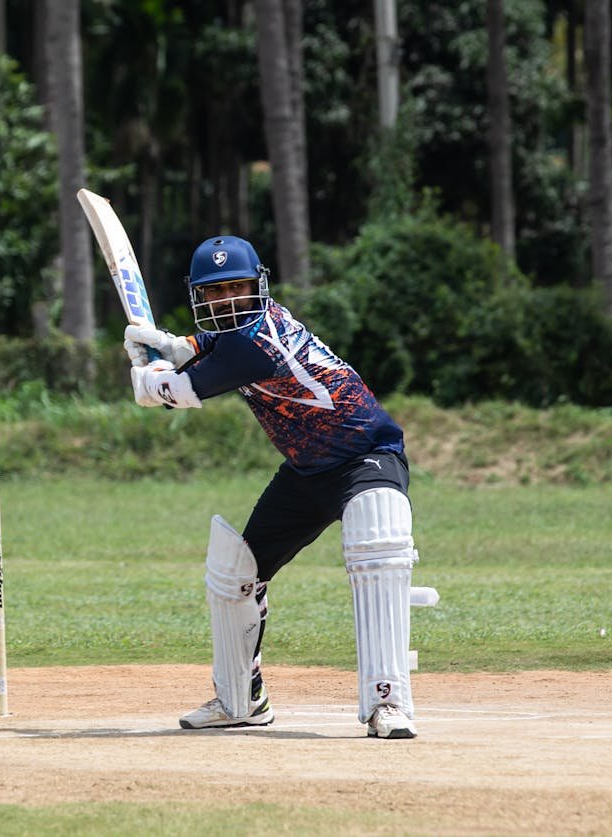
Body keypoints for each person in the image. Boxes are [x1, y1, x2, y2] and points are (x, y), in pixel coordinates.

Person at [124, 235, 420, 739]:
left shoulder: (256, 345)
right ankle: (241, 700)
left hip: (365, 455)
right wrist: (176, 346)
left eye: (236, 289)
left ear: (257, 286)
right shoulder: (246, 327)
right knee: (235, 573)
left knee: (377, 548)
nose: (226, 302)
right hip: (306, 470)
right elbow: (211, 344)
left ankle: (386, 703)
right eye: (214, 293)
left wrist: (145, 369)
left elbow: (175, 393)